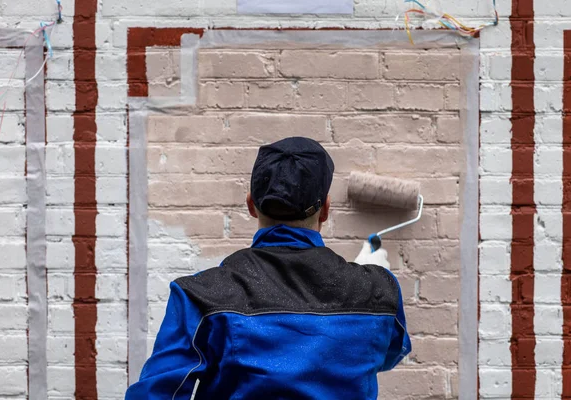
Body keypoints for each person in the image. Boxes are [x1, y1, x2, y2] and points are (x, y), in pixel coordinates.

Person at [125, 137, 411, 399]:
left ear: (251, 204)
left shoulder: (200, 296)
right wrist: (368, 281)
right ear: (325, 209)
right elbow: (384, 355)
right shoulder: (378, 291)